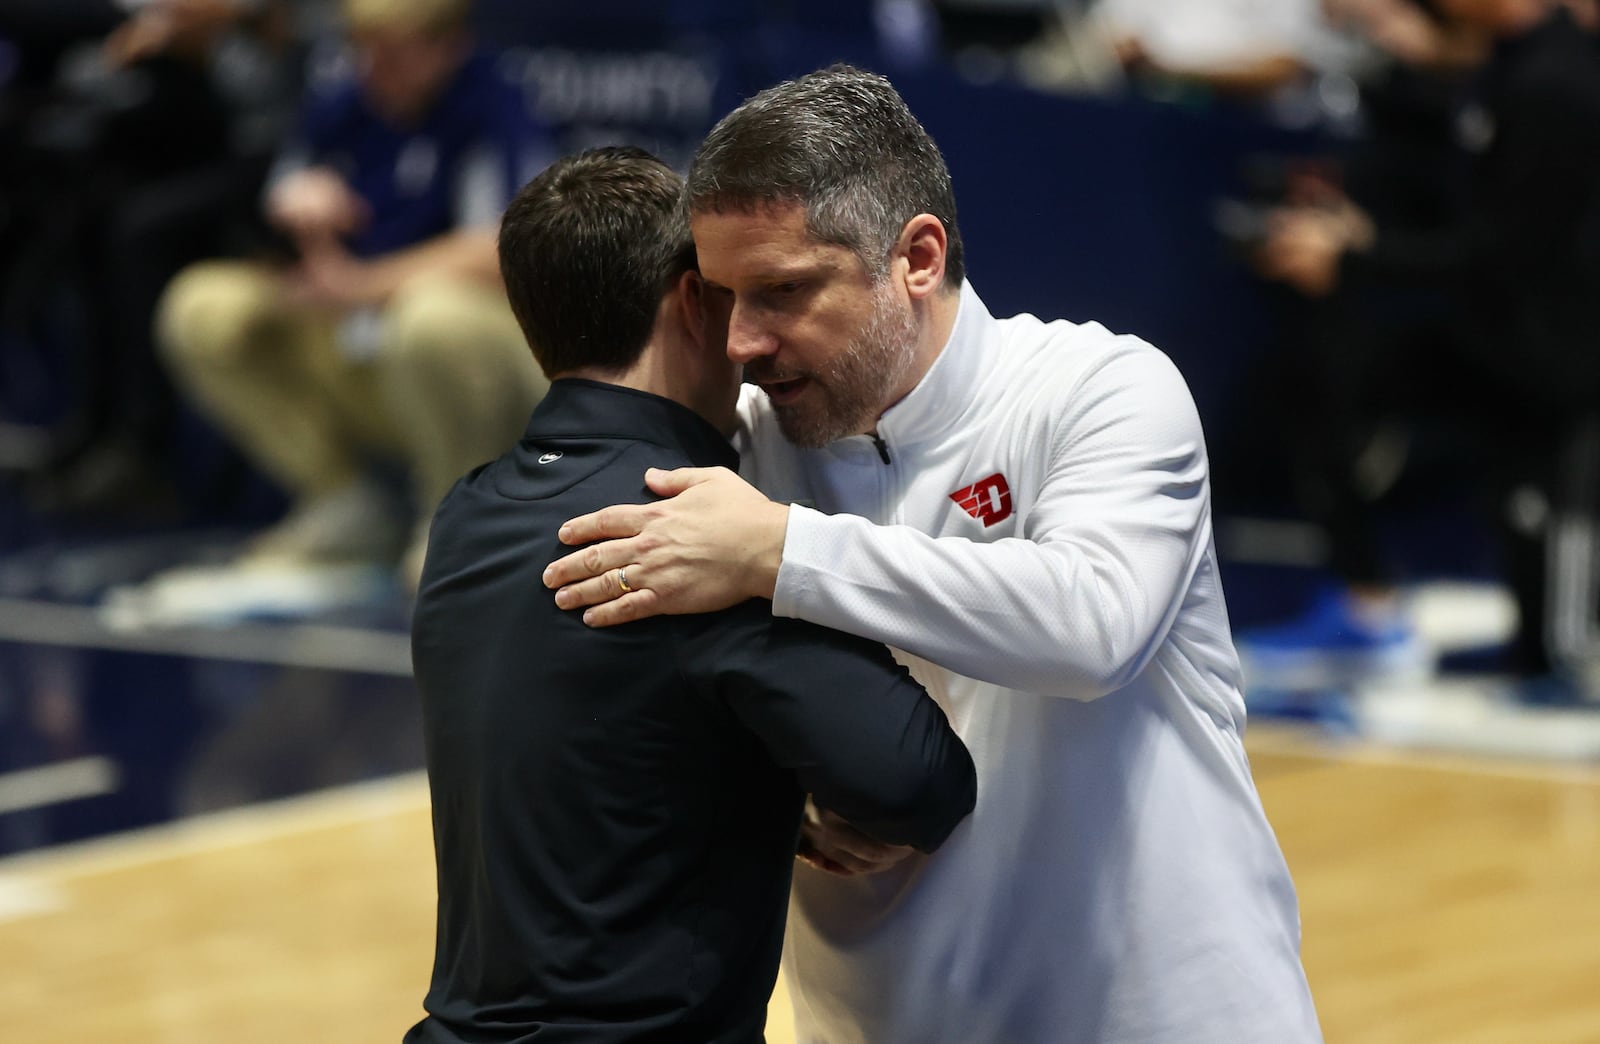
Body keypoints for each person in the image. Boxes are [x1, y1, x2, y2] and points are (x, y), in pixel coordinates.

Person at [542, 65, 1321, 1043]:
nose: (741, 340)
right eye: (724, 297)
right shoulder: (739, 448)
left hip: (1161, 1014)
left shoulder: (1101, 390)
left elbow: (1092, 627)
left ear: (915, 256)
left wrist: (779, 550)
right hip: (876, 1021)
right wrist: (775, 797)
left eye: (782, 291)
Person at [405, 146, 976, 1043]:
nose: (752, 331)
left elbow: (611, 745)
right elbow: (918, 784)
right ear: (690, 299)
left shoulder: (466, 513)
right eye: (735, 292)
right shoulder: (693, 528)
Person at [1251, 0, 1600, 696]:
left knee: (1551, 605)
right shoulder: (1502, 66)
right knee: (1319, 381)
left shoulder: (1557, 80)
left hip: (1555, 361)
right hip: (1492, 337)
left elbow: (1514, 251)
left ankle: (1557, 654)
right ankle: (1370, 609)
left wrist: (1357, 254)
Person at [155, 0, 550, 588]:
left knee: (431, 315)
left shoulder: (492, 103)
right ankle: (342, 501)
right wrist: (293, 215)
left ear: (446, 45)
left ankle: (461, 517)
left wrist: (362, 287)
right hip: (352, 340)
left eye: (393, 52)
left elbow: (504, 249)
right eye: (365, 49)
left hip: (465, 356)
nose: (375, 67)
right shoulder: (345, 102)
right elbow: (275, 208)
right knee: (203, 304)